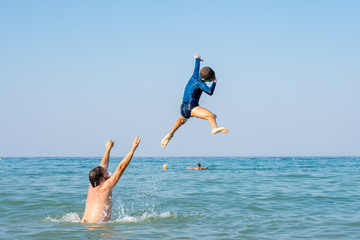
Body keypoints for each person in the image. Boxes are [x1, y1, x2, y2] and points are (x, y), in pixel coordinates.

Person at [161, 55, 229, 148]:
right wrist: (214, 82)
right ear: (204, 79)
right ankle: (215, 128)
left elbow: (196, 66)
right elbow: (209, 92)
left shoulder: (195, 74)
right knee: (211, 116)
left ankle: (170, 134)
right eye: (209, 80)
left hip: (183, 107)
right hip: (192, 107)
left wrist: (197, 59)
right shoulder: (201, 83)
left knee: (181, 120)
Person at [81, 137, 141, 223]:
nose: (109, 173)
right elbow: (121, 168)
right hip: (97, 226)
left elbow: (103, 165)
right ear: (102, 179)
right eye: (106, 172)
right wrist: (133, 149)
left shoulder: (93, 185)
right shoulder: (105, 187)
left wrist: (108, 149)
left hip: (85, 223)